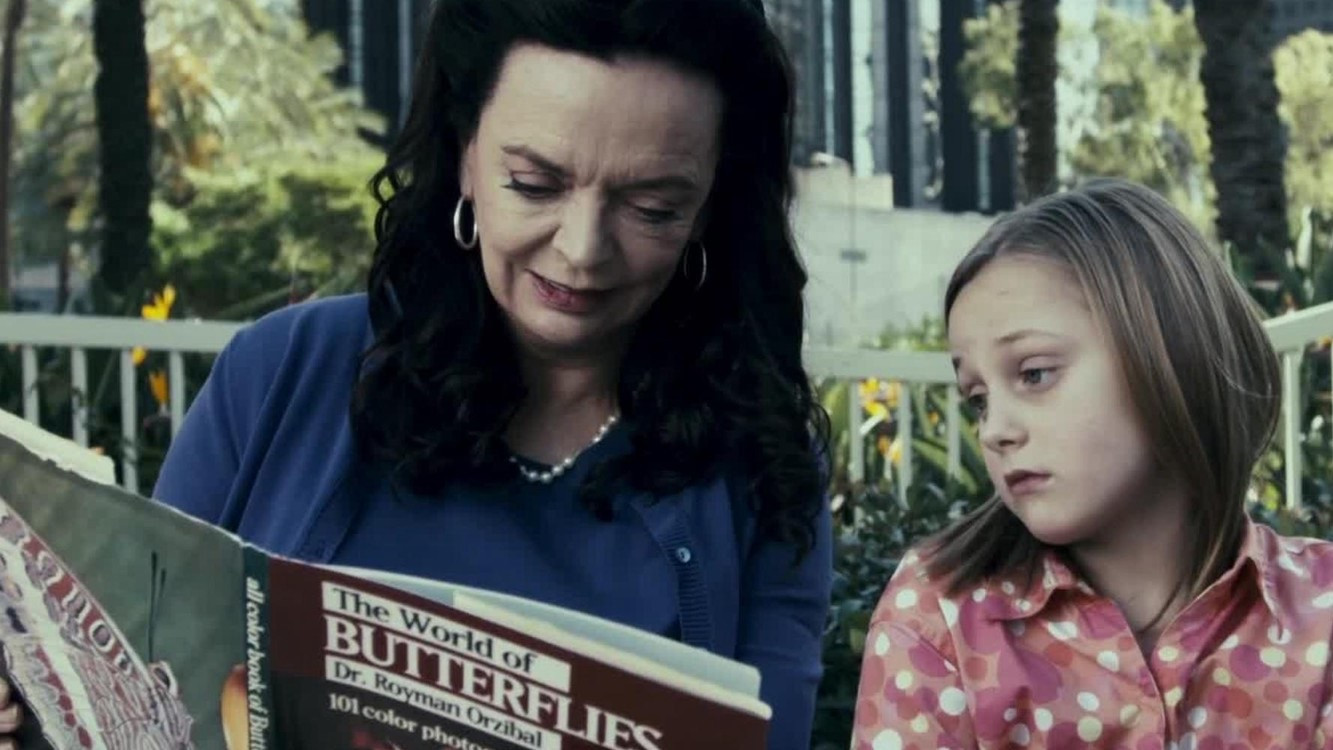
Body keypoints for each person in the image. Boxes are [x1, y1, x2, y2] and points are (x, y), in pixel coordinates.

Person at [138, 0, 827, 747]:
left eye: (653, 208)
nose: (582, 249)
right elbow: (140, 671)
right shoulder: (281, 374)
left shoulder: (762, 460)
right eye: (534, 183)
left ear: (709, 209)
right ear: (465, 153)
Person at [852, 179, 1333, 749]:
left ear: (1171, 353)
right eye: (978, 400)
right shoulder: (938, 619)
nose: (996, 430)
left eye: (1034, 374)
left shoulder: (1322, 615)